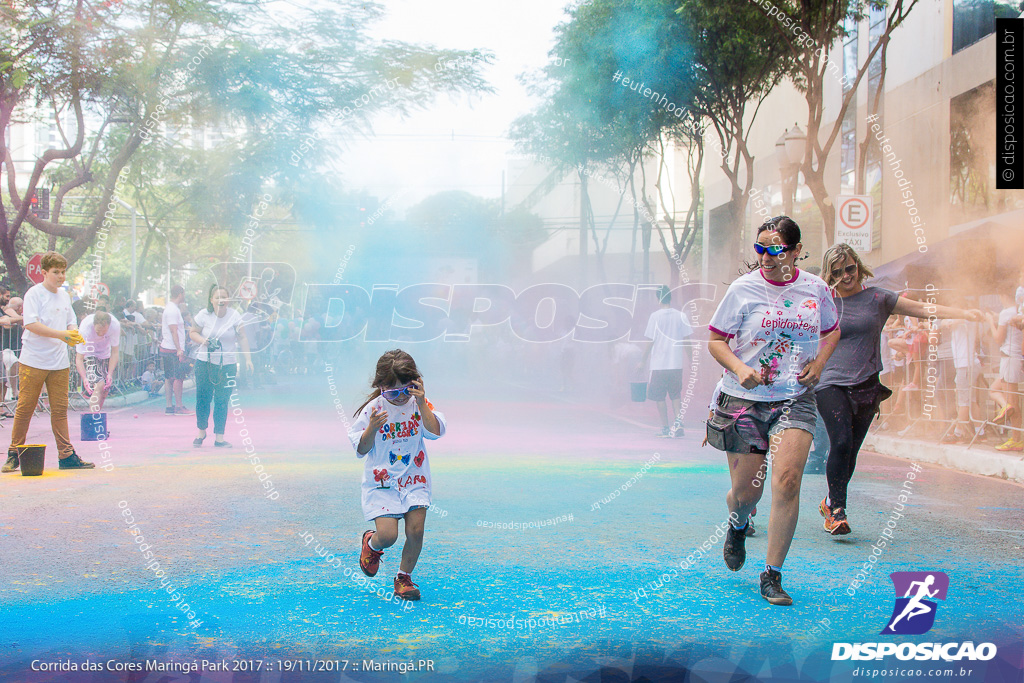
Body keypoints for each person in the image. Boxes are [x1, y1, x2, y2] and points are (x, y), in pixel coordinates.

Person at [705, 216, 840, 606]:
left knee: (787, 481)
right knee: (747, 494)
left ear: (796, 251)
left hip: (795, 397)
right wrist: (740, 367)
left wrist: (819, 365)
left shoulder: (815, 289)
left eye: (775, 249)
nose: (765, 256)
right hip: (744, 400)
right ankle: (739, 522)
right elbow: (716, 341)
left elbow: (832, 330)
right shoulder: (743, 290)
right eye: (760, 248)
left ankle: (772, 575)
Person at [816, 244, 983, 536]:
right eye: (838, 271)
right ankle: (838, 510)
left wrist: (963, 313)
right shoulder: (823, 302)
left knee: (852, 451)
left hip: (867, 383)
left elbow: (921, 309)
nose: (846, 276)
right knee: (840, 442)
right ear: (830, 274)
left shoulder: (878, 297)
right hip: (829, 382)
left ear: (859, 266)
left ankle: (830, 501)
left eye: (850, 268)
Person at [349, 349, 446, 601]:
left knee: (416, 531)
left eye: (406, 390)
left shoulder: (419, 403)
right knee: (389, 536)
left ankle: (403, 578)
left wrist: (422, 402)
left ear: (415, 383)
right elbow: (361, 448)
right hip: (382, 482)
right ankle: (372, 543)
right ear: (381, 387)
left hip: (415, 478)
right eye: (393, 392)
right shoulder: (373, 410)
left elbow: (434, 433)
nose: (401, 397)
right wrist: (372, 428)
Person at [1, 251, 93, 473]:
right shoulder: (34, 294)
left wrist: (73, 333)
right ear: (44, 273)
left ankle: (66, 455)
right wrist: (62, 335)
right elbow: (31, 324)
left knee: (59, 410)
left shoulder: (64, 295)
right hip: (33, 359)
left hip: (59, 361)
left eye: (63, 272)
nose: (61, 276)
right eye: (56, 272)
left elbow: (71, 321)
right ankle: (14, 453)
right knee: (25, 407)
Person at [190, 285, 253, 448]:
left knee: (222, 400)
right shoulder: (204, 315)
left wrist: (248, 359)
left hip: (227, 364)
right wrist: (204, 341)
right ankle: (201, 431)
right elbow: (193, 332)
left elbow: (243, 337)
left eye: (224, 297)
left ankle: (219, 437)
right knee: (203, 398)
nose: (221, 300)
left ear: (228, 300)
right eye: (217, 297)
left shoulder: (235, 316)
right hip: (205, 363)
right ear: (211, 300)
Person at [639, 285, 694, 437]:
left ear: (658, 299)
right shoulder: (680, 315)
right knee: (676, 395)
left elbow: (650, 341)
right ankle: (678, 424)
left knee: (659, 397)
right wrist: (691, 359)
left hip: (659, 365)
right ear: (670, 297)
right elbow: (687, 341)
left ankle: (665, 428)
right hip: (676, 364)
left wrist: (642, 361)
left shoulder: (655, 317)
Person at [987, 292, 1023, 451]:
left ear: (1003, 295)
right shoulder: (1017, 311)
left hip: (1009, 357)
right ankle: (1005, 408)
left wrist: (989, 321)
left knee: (1013, 403)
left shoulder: (1007, 313)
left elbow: (997, 338)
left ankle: (1016, 439)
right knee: (994, 390)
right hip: (1012, 358)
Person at [74, 311, 121, 411]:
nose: (101, 334)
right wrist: (84, 378)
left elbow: (115, 352)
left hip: (105, 353)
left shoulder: (115, 325)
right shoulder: (85, 328)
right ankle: (93, 417)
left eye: (104, 331)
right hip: (89, 353)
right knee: (99, 385)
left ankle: (97, 413)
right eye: (98, 331)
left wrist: (110, 373)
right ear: (94, 325)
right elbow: (79, 358)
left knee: (105, 389)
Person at [160, 285, 192, 415]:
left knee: (169, 378)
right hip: (172, 348)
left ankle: (169, 406)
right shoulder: (172, 310)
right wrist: (179, 349)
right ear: (180, 294)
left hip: (168, 347)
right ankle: (178, 406)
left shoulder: (172, 309)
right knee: (178, 378)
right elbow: (174, 331)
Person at [0, 296, 24, 417]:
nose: (6, 298)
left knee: (3, 381)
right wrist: (20, 319)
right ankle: (14, 392)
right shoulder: (7, 309)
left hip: (10, 349)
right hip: (5, 349)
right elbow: (5, 323)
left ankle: (1, 407)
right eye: (5, 295)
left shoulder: (4, 310)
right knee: (3, 378)